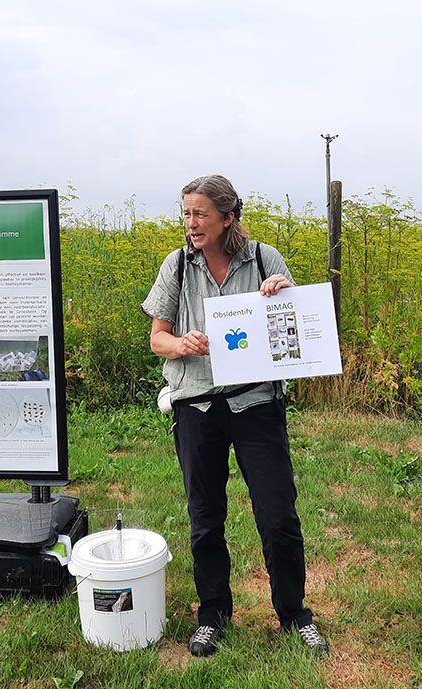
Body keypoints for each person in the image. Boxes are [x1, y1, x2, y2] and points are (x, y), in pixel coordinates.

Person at [140, 174, 328, 657]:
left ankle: (294, 615)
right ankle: (212, 615)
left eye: (200, 213)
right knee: (205, 517)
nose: (191, 223)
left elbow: (293, 329)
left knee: (278, 514)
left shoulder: (265, 259)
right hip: (197, 403)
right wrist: (180, 344)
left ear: (228, 217)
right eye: (186, 213)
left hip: (256, 405)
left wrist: (284, 293)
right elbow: (157, 336)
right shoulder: (176, 266)